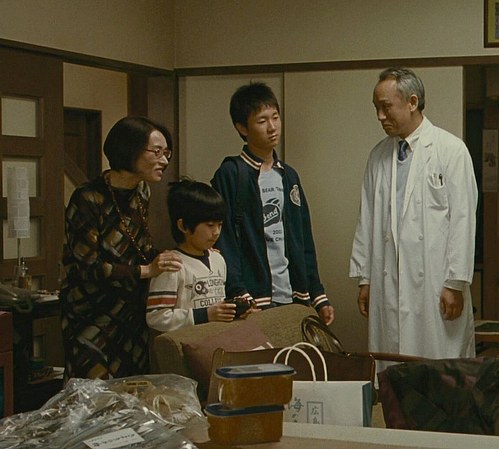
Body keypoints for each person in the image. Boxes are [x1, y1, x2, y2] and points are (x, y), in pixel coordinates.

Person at [350, 67, 478, 361]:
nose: (380, 116)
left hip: (434, 280)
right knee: (392, 363)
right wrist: (365, 279)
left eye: (386, 107)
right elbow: (366, 219)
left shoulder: (450, 150)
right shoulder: (378, 156)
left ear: (412, 102)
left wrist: (455, 283)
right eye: (376, 108)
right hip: (388, 279)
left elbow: (463, 220)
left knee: (437, 364)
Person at [61, 116, 183, 379]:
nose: (164, 161)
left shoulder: (142, 191)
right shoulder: (88, 197)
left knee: (132, 388)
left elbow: (140, 247)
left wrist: (182, 255)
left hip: (131, 310)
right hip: (92, 312)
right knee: (93, 391)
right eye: (156, 152)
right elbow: (88, 267)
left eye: (167, 153)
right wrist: (146, 271)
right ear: (128, 150)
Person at [211, 82, 334, 324]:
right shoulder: (231, 173)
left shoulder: (288, 175)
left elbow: (303, 237)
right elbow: (224, 239)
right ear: (242, 127)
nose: (272, 127)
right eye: (262, 121)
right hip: (253, 298)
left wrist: (317, 294)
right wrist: (239, 292)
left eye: (275, 117)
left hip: (292, 294)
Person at [146, 179, 252, 333]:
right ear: (183, 226)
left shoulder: (218, 259)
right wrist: (204, 315)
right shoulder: (171, 264)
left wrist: (235, 310)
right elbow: (156, 317)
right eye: (210, 225)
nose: (216, 232)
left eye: (220, 225)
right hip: (186, 342)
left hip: (217, 338)